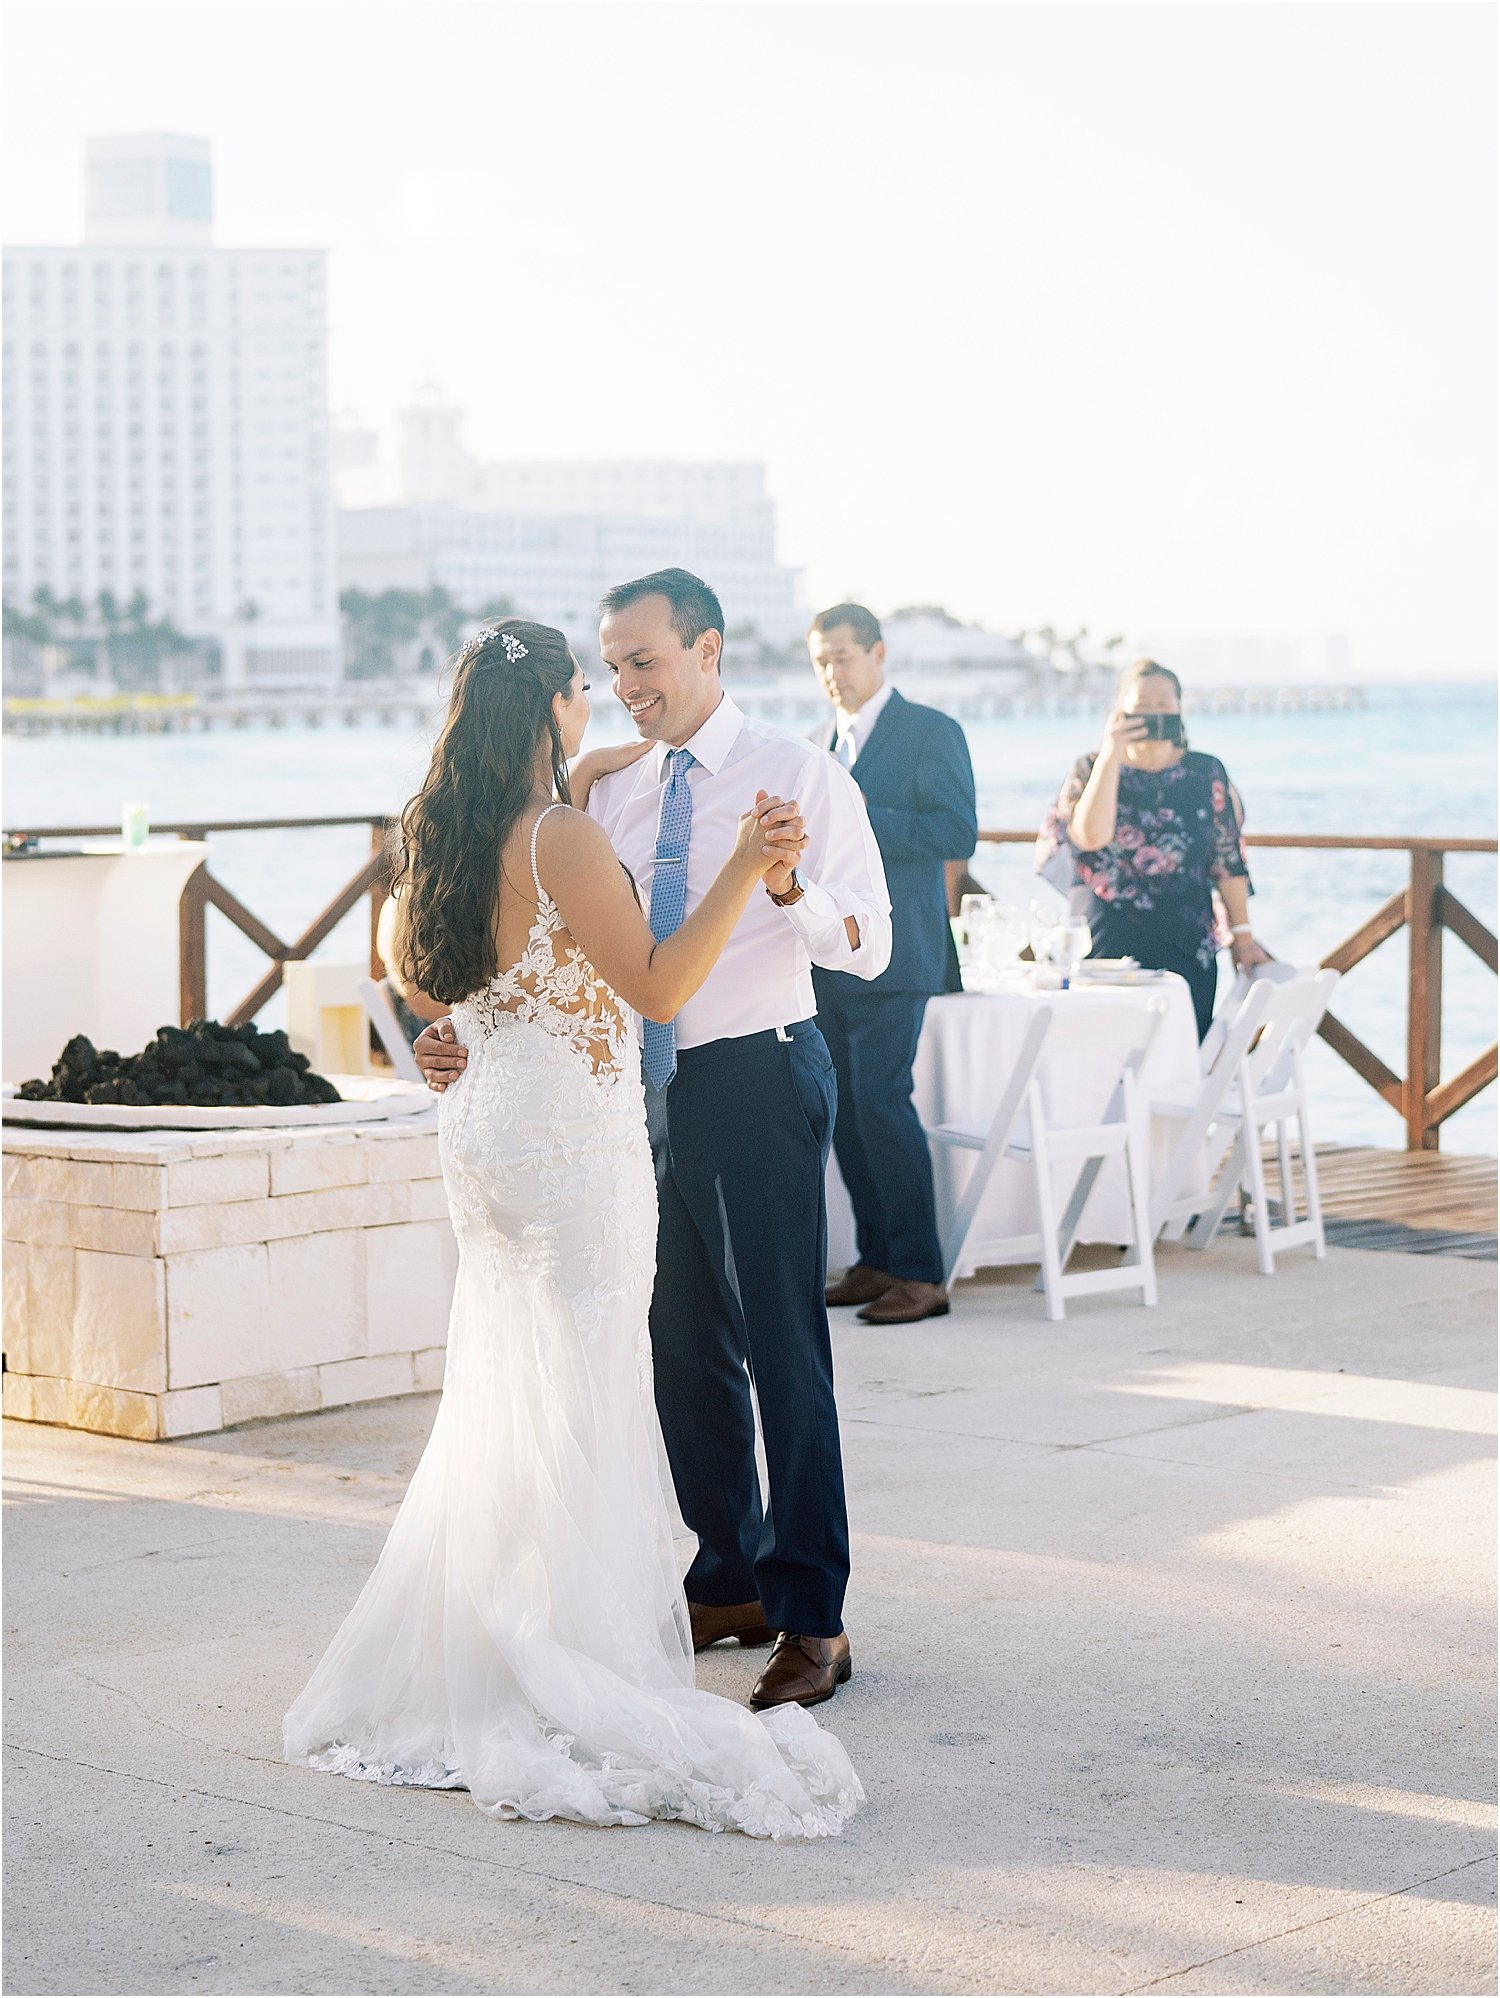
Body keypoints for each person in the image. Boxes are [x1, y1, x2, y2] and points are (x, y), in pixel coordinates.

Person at [285, 616, 864, 1840]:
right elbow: (655, 985)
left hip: (488, 1135)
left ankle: (509, 1626)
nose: (608, 699)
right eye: (588, 688)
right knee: (594, 1388)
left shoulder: (434, 833)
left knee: (513, 1384)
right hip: (572, 1151)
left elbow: (422, 985)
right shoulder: (559, 837)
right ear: (555, 706)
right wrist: (731, 871)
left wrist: (460, 1034)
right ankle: (574, 1648)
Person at [416, 570, 892, 1716]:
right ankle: (724, 1580)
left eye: (645, 661)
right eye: (612, 667)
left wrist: (786, 890)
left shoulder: (798, 772)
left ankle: (814, 1615)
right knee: (681, 1349)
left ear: (708, 650)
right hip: (630, 1101)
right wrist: (460, 1033)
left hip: (760, 1074)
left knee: (784, 1351)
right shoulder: (603, 794)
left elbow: (867, 946)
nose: (627, 686)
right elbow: (551, 950)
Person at [807, 604, 978, 1325]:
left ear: (878, 654)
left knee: (881, 1100)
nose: (832, 674)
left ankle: (920, 1272)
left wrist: (855, 811)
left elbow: (956, 829)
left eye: (842, 657)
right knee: (844, 1111)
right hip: (830, 953)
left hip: (902, 951)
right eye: (820, 661)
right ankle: (876, 1259)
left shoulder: (931, 731)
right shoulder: (821, 744)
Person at [1036, 657, 1267, 1038]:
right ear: (1119, 711)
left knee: (1180, 1058)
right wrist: (1111, 753)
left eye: (1163, 705)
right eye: (1141, 705)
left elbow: (1228, 860)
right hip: (1106, 939)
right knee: (1101, 1053)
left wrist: (1242, 936)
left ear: (1179, 708)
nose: (1153, 713)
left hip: (1187, 937)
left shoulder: (1205, 771)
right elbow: (1089, 838)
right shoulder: (1089, 767)